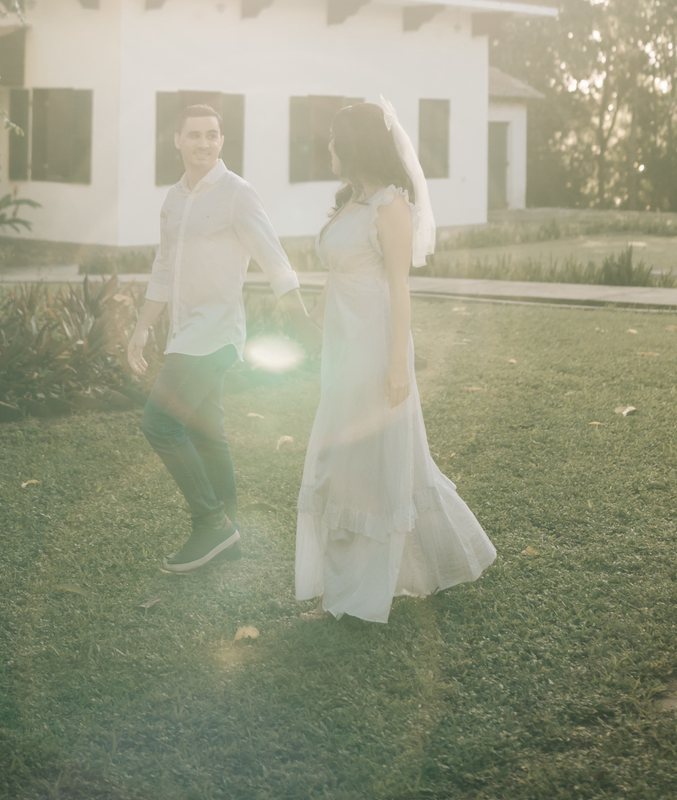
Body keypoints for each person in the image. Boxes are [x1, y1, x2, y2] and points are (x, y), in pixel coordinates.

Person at [295, 98, 496, 622]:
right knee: (349, 462)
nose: (330, 148)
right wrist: (312, 321)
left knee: (367, 466)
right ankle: (351, 579)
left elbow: (399, 289)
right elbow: (338, 273)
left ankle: (359, 591)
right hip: (341, 346)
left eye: (337, 140)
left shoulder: (390, 205)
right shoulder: (349, 203)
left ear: (356, 144)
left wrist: (396, 365)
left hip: (373, 346)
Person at [129, 101, 318, 573]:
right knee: (207, 433)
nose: (204, 143)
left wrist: (304, 321)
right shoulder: (173, 198)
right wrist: (142, 326)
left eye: (212, 135)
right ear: (177, 140)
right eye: (194, 135)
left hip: (214, 334)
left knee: (159, 423)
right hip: (183, 333)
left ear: (221, 141)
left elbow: (274, 259)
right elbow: (164, 268)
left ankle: (211, 523)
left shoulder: (237, 193)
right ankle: (228, 537)